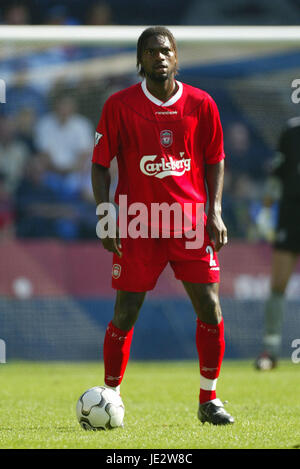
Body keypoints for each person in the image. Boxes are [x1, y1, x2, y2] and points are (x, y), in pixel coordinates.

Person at [91, 26, 234, 425]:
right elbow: (100, 165)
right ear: (140, 60)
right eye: (152, 51)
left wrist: (215, 209)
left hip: (189, 223)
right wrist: (106, 215)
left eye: (167, 50)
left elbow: (215, 157)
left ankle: (209, 399)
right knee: (126, 312)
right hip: (138, 223)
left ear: (176, 57)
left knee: (209, 305)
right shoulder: (119, 105)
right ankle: (110, 395)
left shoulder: (202, 103)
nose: (160, 56)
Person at [255, 116, 300, 370]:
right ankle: (270, 352)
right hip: (291, 214)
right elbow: (276, 178)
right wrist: (264, 211)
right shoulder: (291, 131)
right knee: (278, 283)